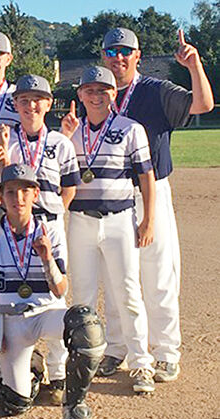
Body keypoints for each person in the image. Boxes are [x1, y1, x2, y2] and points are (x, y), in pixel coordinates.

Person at [91, 27, 214, 382]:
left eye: (125, 51)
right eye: (112, 51)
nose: (118, 57)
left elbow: (202, 104)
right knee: (117, 276)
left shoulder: (155, 90)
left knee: (158, 273)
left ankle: (165, 351)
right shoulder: (98, 95)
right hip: (110, 192)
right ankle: (118, 348)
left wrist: (194, 65)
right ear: (103, 56)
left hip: (151, 190)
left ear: (137, 55)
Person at [0, 163, 106, 419]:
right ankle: (33, 368)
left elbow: (60, 289)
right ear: (1, 196)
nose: (18, 199)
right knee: (15, 404)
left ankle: (74, 408)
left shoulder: (50, 230)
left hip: (47, 311)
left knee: (86, 326)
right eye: (10, 192)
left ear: (35, 194)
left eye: (24, 191)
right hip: (11, 320)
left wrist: (47, 259)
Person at [67, 65, 158, 393]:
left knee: (128, 293)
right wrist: (63, 136)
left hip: (119, 220)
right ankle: (82, 364)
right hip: (80, 221)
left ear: (113, 94)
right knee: (83, 298)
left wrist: (149, 219)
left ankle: (140, 364)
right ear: (79, 94)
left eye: (102, 90)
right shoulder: (69, 133)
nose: (96, 95)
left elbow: (146, 176)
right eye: (89, 90)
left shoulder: (131, 128)